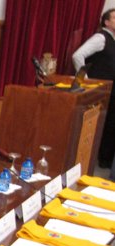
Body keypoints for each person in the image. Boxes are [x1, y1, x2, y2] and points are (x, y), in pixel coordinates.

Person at [73, 8, 115, 169]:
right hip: (101, 91)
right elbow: (78, 55)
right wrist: (86, 80)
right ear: (106, 22)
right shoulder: (101, 37)